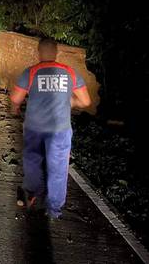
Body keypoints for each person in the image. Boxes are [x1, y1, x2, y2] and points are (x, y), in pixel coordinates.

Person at [9, 37, 91, 219]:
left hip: (34, 128)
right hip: (60, 129)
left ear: (39, 52)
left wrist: (14, 108)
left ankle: (31, 195)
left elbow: (15, 99)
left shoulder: (30, 72)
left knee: (33, 163)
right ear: (56, 52)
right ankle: (54, 210)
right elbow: (86, 101)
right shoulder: (70, 72)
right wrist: (70, 101)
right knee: (58, 168)